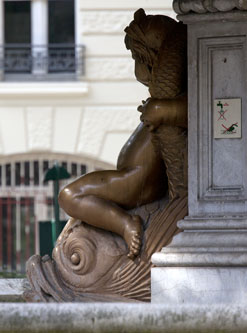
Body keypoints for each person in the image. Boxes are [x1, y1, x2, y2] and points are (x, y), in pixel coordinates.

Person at [58, 11, 187, 260]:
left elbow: (203, 111)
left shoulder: (180, 95)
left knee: (69, 195)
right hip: (132, 177)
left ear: (150, 57)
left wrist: (162, 110)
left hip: (136, 181)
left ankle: (126, 224)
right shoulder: (168, 94)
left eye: (136, 57)